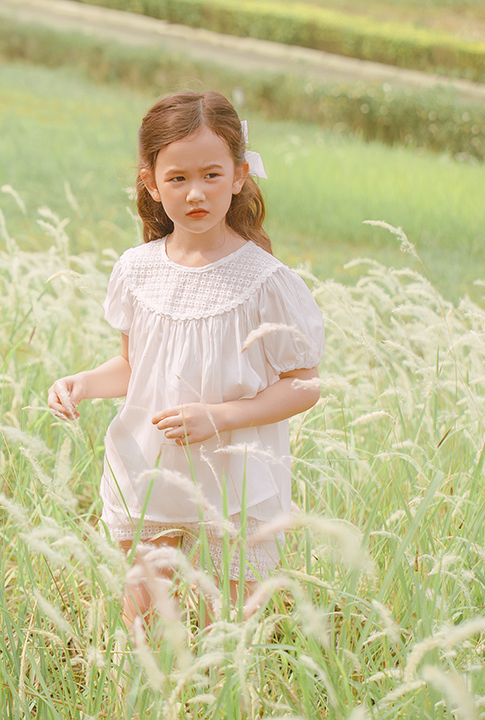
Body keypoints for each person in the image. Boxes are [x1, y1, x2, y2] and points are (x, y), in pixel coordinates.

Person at [48, 91, 324, 625]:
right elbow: (134, 368)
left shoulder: (265, 281)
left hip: (238, 472)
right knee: (141, 624)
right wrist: (82, 383)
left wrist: (219, 416)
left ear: (240, 175)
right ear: (151, 182)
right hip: (152, 461)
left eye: (212, 175)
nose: (195, 193)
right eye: (177, 179)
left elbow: (304, 384)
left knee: (237, 628)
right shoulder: (137, 269)